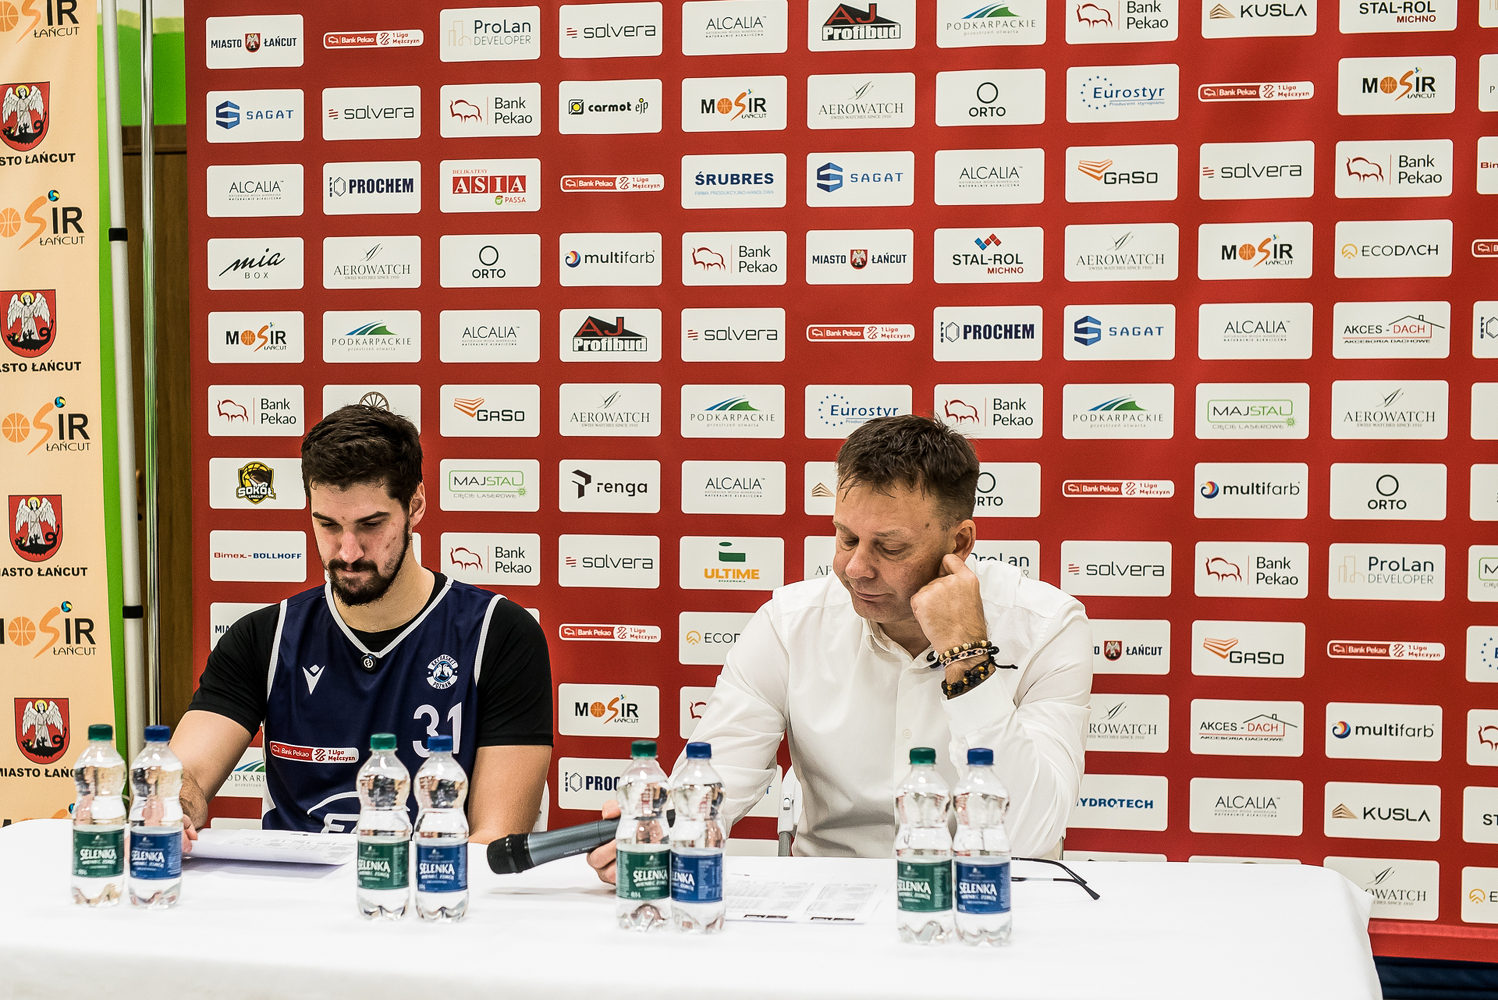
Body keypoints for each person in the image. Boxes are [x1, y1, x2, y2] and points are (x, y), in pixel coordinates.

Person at [589, 414, 1092, 880]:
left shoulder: (1046, 626)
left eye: (889, 547)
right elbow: (716, 779)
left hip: (985, 897)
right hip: (826, 904)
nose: (855, 568)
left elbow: (1028, 836)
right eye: (846, 538)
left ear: (958, 544)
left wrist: (967, 655)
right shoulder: (789, 624)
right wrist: (660, 831)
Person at [173, 405, 552, 844]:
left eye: (370, 525)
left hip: (434, 879)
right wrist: (168, 807)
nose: (348, 552)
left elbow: (495, 839)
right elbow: (188, 774)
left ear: (415, 505)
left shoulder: (500, 633)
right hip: (297, 884)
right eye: (328, 525)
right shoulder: (263, 637)